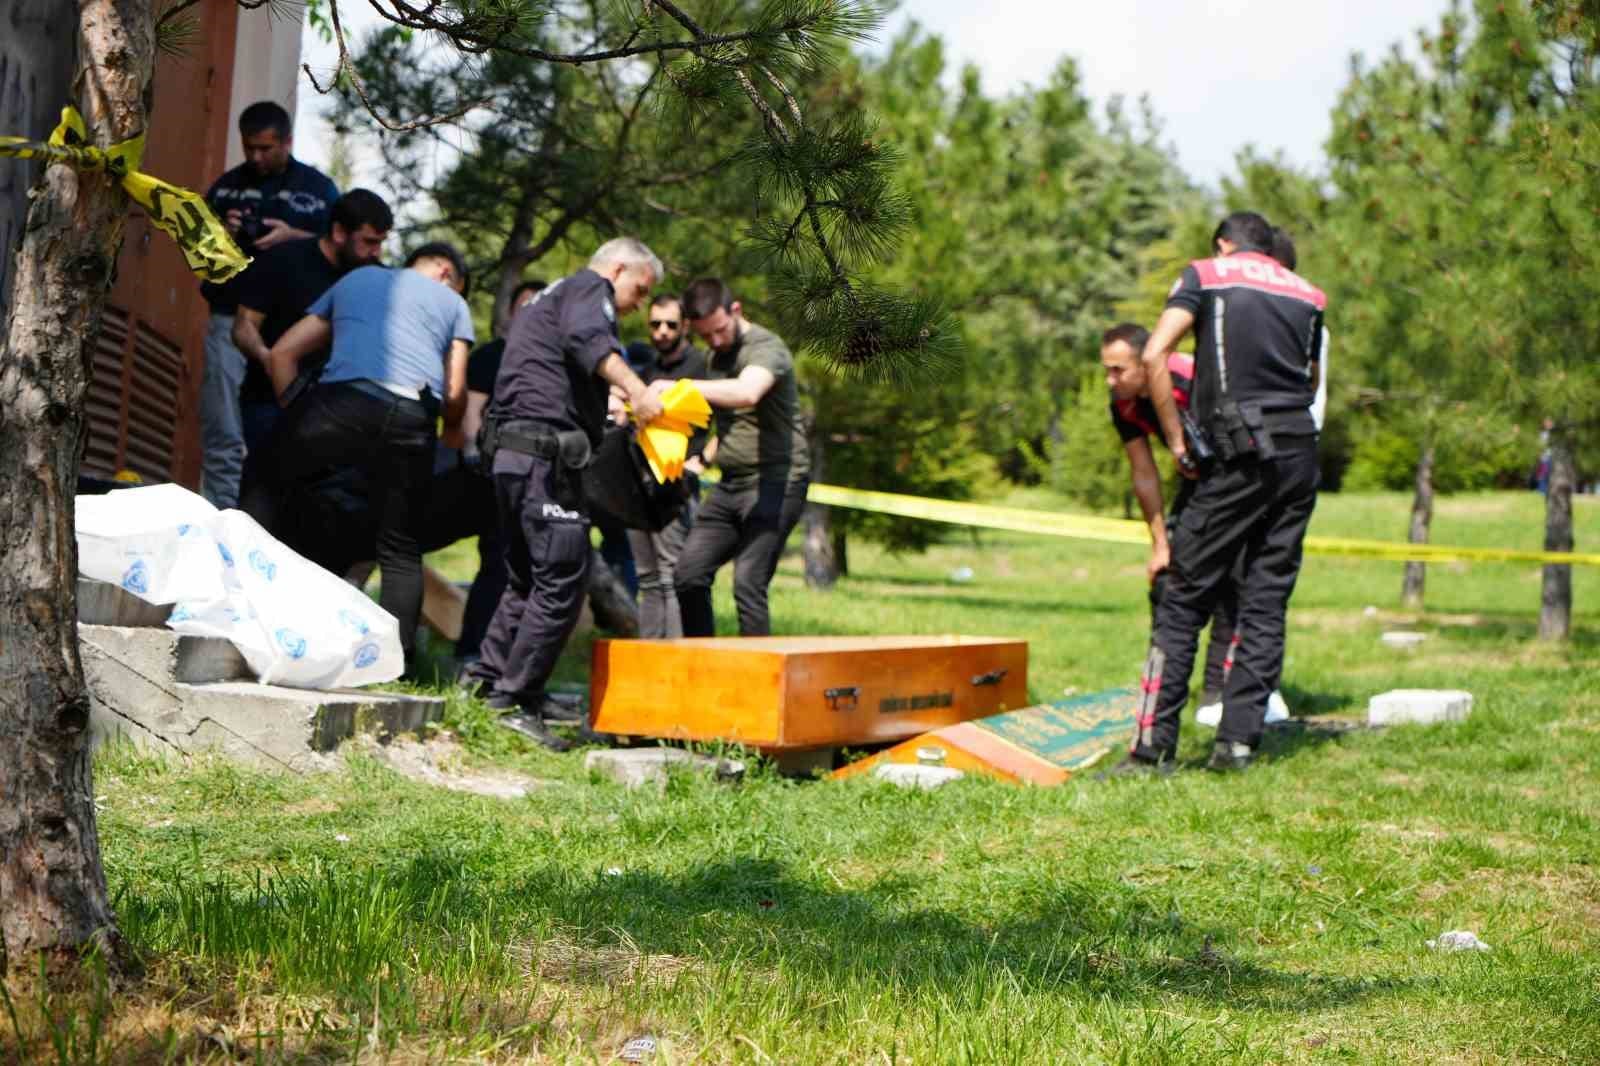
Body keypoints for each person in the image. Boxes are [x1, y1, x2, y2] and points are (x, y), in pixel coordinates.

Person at [1109, 211, 1326, 776]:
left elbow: (1156, 352)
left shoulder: (1207, 273)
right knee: (1264, 598)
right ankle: (1237, 745)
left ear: (1224, 243)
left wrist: (1180, 442)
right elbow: (1312, 381)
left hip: (1237, 452)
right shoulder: (1309, 293)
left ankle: (1151, 750)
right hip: (1299, 451)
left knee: (1181, 598)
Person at [466, 238, 665, 749]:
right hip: (544, 460)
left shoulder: (554, 295)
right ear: (618, 268)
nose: (640, 305)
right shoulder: (588, 291)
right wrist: (638, 391)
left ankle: (487, 680)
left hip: (513, 454)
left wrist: (612, 396)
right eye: (640, 291)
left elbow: (563, 361)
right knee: (561, 577)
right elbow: (590, 343)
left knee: (526, 578)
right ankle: (514, 699)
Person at [242, 242, 475, 670]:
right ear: (446, 272)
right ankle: (394, 666)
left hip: (342, 402)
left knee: (265, 476)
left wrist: (300, 420)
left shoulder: (359, 277)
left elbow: (280, 354)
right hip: (411, 415)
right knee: (401, 544)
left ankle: (239, 607)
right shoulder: (453, 302)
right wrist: (451, 423)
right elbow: (456, 393)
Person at [1102, 323, 1289, 731]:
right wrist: (1159, 545)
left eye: (1118, 370)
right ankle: (1163, 690)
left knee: (1236, 584)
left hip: (1246, 477)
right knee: (1170, 582)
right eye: (1107, 370)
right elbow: (1144, 473)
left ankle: (1226, 692)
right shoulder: (1123, 403)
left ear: (1148, 362)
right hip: (1200, 483)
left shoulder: (1193, 378)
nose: (1110, 380)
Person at [199, 101, 339, 509]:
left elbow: (336, 252)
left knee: (290, 428)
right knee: (222, 426)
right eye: (249, 149)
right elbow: (199, 258)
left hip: (291, 334)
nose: (257, 157)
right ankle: (222, 514)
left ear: (287, 141)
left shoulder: (318, 191)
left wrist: (292, 235)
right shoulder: (225, 189)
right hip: (229, 317)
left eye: (266, 148)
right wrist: (221, 235)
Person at [667, 278, 811, 638]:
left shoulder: (765, 348)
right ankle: (704, 664)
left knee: (748, 581)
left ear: (735, 310)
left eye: (718, 330)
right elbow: (733, 424)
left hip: (778, 482)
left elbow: (747, 393)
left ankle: (757, 685)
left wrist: (679, 387)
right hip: (731, 485)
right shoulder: (717, 356)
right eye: (704, 336)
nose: (714, 341)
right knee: (688, 575)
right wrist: (702, 460)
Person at [231, 188, 394, 498]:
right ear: (339, 233)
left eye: (382, 243)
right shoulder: (285, 260)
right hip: (269, 404)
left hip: (341, 414)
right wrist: (270, 359)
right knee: (266, 496)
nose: (377, 253)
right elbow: (243, 327)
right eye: (370, 242)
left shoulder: (377, 278)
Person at [424, 278, 547, 674]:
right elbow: (472, 409)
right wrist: (480, 453)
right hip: (477, 475)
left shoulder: (553, 363)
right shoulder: (493, 355)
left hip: (524, 482)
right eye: (523, 306)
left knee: (500, 564)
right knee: (403, 540)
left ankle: (476, 654)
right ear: (511, 313)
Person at [624, 295, 710, 637]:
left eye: (671, 325)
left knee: (670, 575)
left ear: (685, 326)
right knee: (647, 577)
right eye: (655, 324)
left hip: (677, 485)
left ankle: (674, 661)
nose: (662, 331)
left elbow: (731, 421)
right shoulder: (644, 370)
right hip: (640, 483)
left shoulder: (702, 367)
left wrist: (701, 461)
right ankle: (650, 659)